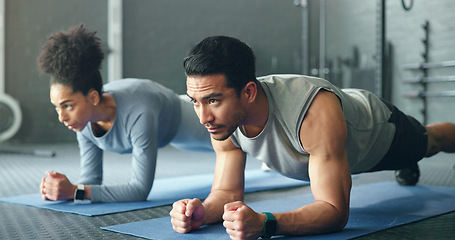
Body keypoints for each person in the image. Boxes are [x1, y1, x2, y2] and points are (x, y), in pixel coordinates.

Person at [169, 35, 455, 239]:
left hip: (377, 132)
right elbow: (227, 193)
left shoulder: (313, 113)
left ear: (248, 92)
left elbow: (334, 210)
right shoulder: (221, 123)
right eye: (195, 101)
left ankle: (413, 155)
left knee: (430, 143)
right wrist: (200, 213)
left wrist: (267, 223)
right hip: (338, 149)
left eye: (213, 101)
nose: (203, 116)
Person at [37, 25, 212, 203]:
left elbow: (139, 190)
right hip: (173, 138)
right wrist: (62, 190)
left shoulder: (139, 113)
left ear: (93, 97)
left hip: (193, 121)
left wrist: (76, 192)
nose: (62, 117)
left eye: (68, 106)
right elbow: (91, 180)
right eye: (57, 107)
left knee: (239, 153)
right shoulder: (82, 122)